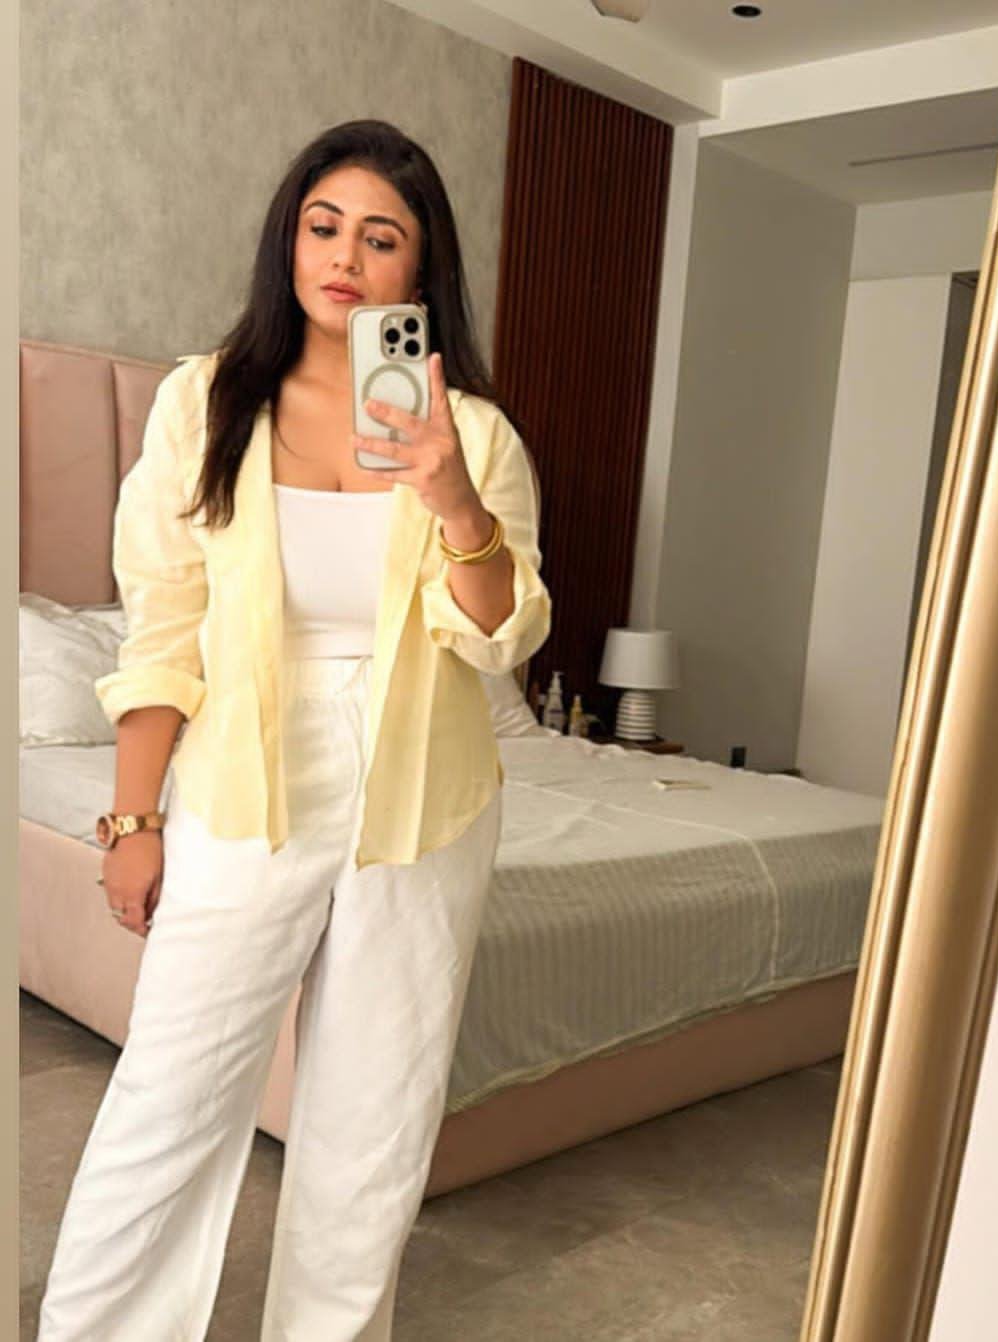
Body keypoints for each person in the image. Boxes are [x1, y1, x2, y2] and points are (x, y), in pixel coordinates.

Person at [36, 119, 552, 1342]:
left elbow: (504, 635)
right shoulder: (204, 402)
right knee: (169, 1096)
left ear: (419, 269)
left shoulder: (474, 434)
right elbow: (163, 626)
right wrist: (134, 816)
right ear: (290, 240)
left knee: (375, 1128)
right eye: (324, 227)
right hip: (244, 784)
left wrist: (452, 498)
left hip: (426, 798)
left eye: (381, 238)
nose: (345, 258)